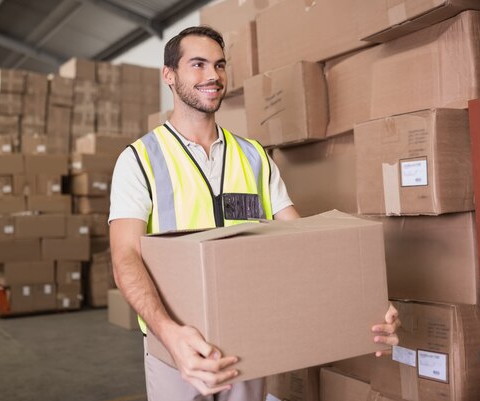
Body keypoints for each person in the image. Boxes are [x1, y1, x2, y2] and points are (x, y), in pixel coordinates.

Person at [109, 26, 400, 401]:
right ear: (169, 75)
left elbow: (305, 242)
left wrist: (367, 301)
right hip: (175, 348)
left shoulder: (254, 157)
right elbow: (125, 258)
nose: (212, 76)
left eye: (219, 65)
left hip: (250, 341)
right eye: (197, 65)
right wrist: (169, 333)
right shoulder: (139, 160)